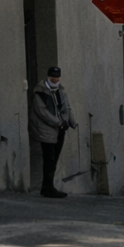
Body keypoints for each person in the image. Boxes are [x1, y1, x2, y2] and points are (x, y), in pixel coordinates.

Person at [30, 66, 76, 198]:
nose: (55, 80)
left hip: (60, 129)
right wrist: (58, 122)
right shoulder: (40, 92)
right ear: (48, 77)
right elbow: (42, 112)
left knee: (54, 158)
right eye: (53, 78)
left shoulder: (61, 90)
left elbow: (67, 107)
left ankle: (48, 186)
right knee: (49, 158)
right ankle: (48, 188)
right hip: (46, 130)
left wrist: (72, 122)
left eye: (57, 78)